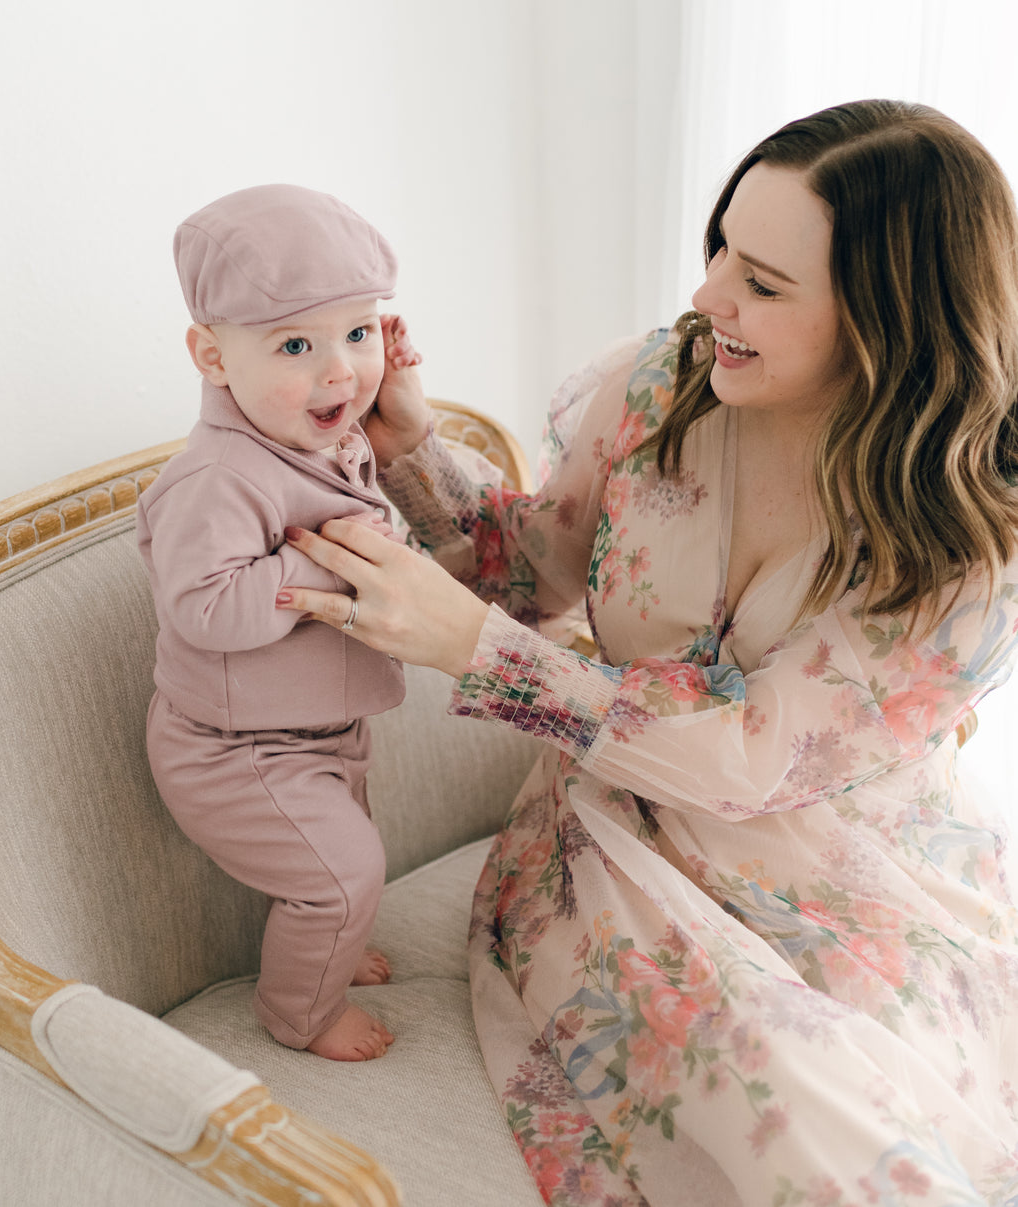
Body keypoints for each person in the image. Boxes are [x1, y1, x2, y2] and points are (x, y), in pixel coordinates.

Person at [276, 100, 1018, 1202]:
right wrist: (413, 450)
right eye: (720, 245)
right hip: (616, 846)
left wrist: (471, 648)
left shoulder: (968, 537)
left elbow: (751, 758)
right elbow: (534, 574)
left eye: (763, 283)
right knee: (811, 1127)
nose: (706, 295)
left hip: (858, 874)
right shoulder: (661, 386)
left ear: (885, 320)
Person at [137, 183, 424, 1062]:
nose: (340, 370)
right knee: (343, 875)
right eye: (298, 343)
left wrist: (400, 396)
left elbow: (371, 481)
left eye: (359, 333)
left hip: (323, 729)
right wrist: (320, 559)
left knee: (344, 864)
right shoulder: (218, 478)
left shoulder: (318, 436)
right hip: (235, 748)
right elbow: (204, 603)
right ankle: (299, 1012)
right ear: (213, 357)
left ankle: (331, 944)